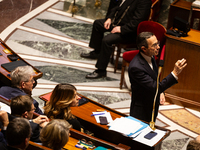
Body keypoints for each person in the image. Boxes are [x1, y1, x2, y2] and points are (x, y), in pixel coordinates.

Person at [80, 0, 152, 79]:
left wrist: (122, 29)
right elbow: (115, 7)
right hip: (117, 23)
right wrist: (109, 18)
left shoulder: (145, 1)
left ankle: (101, 71)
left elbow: (138, 21)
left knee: (107, 40)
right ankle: (97, 52)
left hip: (129, 32)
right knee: (97, 24)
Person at [128, 32, 187, 122]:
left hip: (152, 104)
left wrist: (161, 92)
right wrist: (174, 73)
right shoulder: (136, 67)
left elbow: (154, 78)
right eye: (154, 45)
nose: (158, 47)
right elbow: (154, 87)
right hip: (141, 109)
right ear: (144, 49)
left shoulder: (150, 56)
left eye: (157, 43)